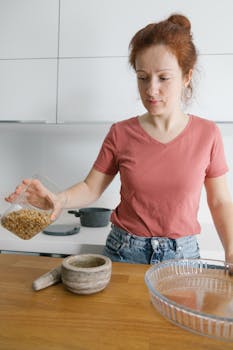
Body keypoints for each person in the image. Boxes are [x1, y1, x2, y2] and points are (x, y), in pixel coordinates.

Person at [6, 14, 233, 265]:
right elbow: (91, 187)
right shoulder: (121, 133)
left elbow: (220, 200)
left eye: (163, 78)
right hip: (125, 251)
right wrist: (58, 200)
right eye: (142, 77)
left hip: (182, 258)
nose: (151, 89)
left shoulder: (207, 134)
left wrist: (231, 250)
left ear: (186, 76)